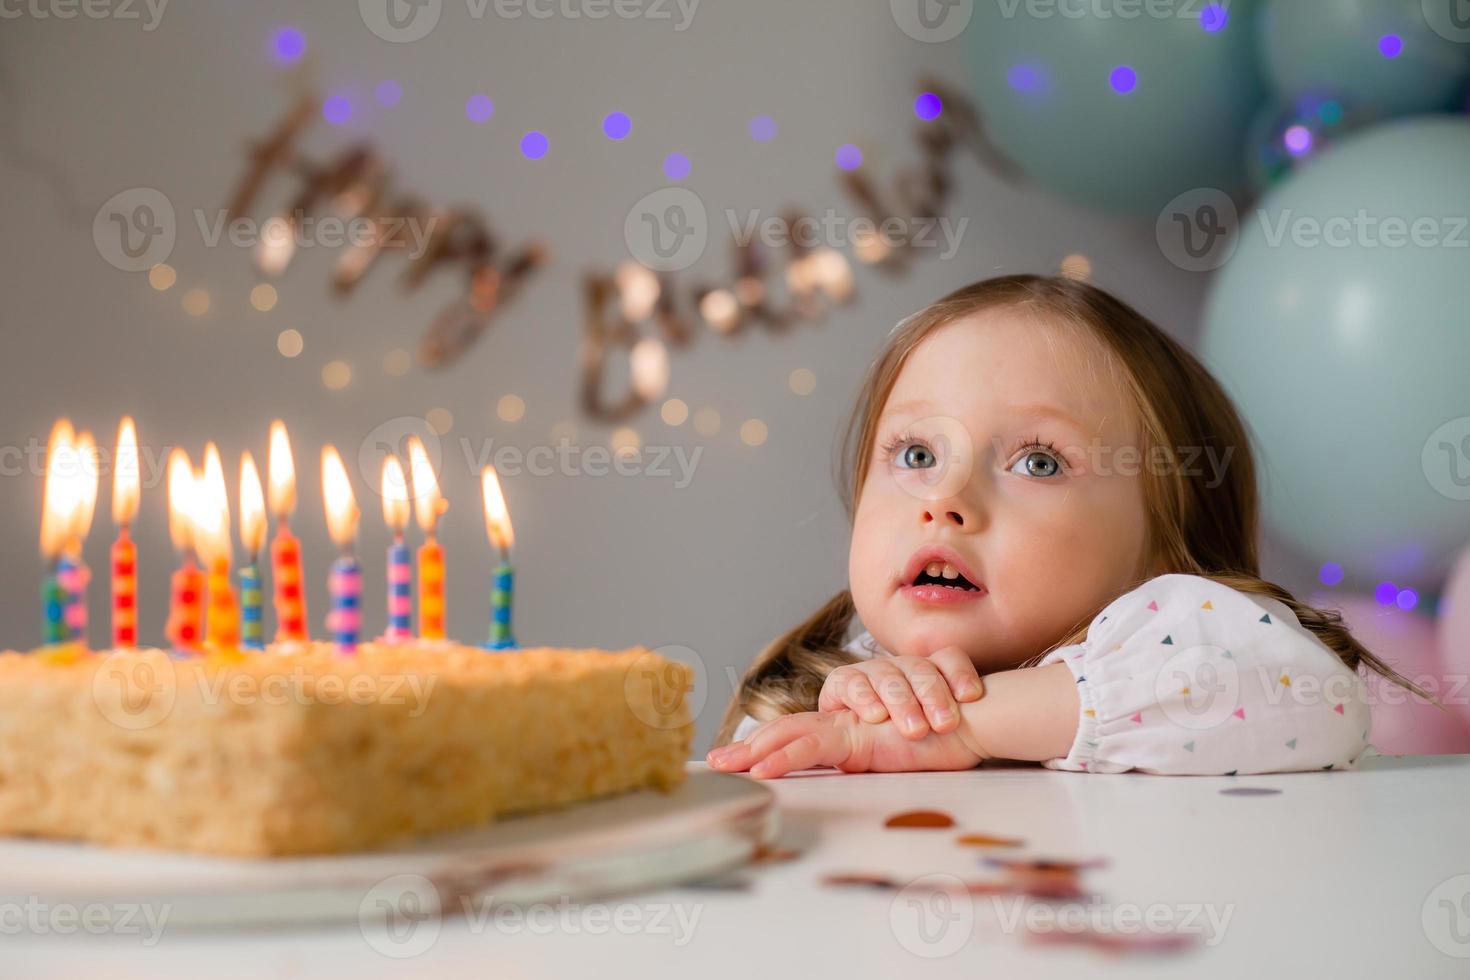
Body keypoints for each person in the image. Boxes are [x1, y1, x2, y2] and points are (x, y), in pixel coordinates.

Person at [707, 275, 1432, 778]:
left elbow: (1319, 701)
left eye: (1039, 463)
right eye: (917, 454)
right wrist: (859, 737)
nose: (946, 499)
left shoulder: (1185, 642)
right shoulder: (816, 687)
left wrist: (961, 724)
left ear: (1164, 550)